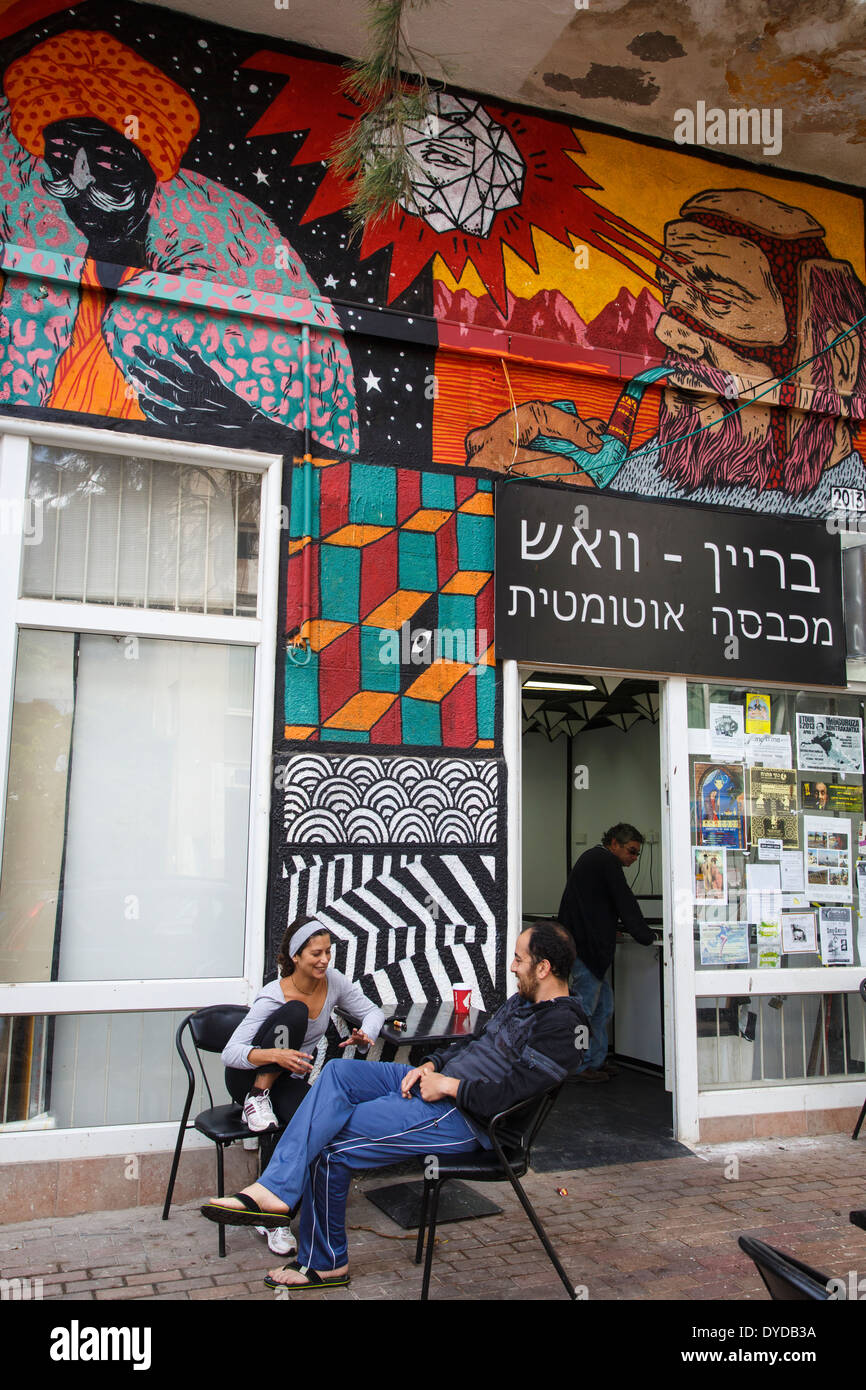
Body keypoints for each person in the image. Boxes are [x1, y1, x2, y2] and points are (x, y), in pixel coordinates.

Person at [0, 29, 357, 448]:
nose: (80, 182)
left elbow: (328, 454)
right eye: (63, 157)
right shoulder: (31, 292)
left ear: (152, 168)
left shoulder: (221, 294)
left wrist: (250, 425)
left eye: (107, 160)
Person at [201, 922, 587, 1291]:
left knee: (329, 1143)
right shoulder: (521, 1000)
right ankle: (278, 1192)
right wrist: (431, 1064)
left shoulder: (564, 1026)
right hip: (434, 1084)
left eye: (519, 958)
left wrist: (448, 1085)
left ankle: (323, 1261)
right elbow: (471, 1044)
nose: (512, 965)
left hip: (466, 1118)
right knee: (338, 1072)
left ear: (544, 967)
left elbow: (511, 1095)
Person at [465, 188, 866, 517]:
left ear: (841, 359)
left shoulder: (851, 529)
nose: (670, 332)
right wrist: (491, 496)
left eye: (719, 300)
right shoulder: (634, 477)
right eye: (671, 294)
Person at [223, 915, 383, 1255]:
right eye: (315, 953)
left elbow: (373, 1011)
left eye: (328, 952)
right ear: (296, 956)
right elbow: (230, 1053)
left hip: (288, 1081)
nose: (324, 960)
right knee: (294, 1013)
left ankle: (273, 1214)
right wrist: (273, 1056)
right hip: (247, 1077)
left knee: (310, 1123)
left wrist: (365, 1034)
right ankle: (257, 1097)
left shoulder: (333, 983)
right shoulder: (272, 995)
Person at [557, 823, 655, 1082]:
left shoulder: (593, 859)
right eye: (631, 851)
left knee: (601, 1009)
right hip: (587, 949)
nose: (634, 858)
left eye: (637, 854)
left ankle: (594, 1060)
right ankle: (578, 1066)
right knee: (586, 1011)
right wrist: (645, 935)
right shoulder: (605, 862)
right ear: (614, 844)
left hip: (583, 946)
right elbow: (624, 900)